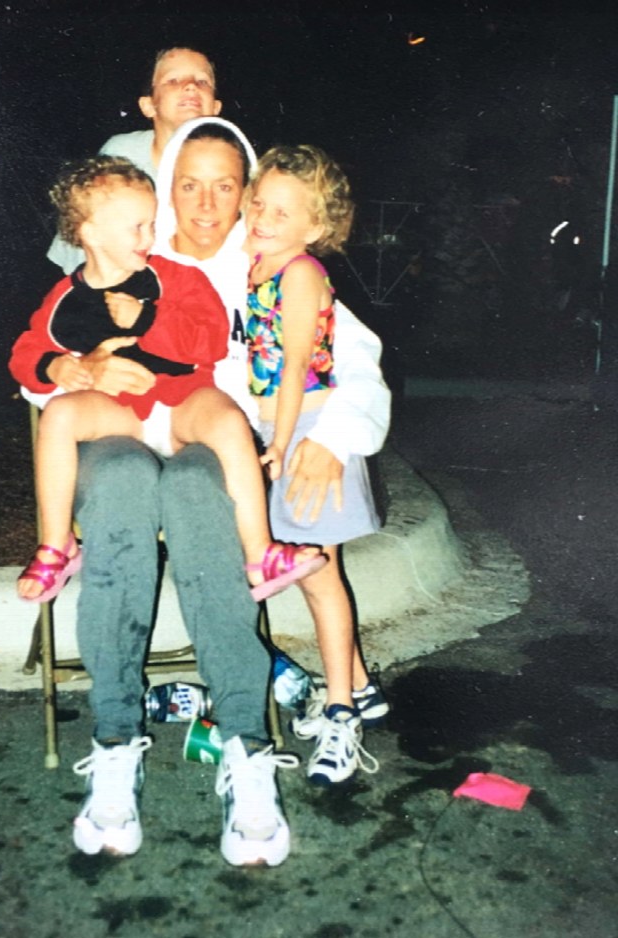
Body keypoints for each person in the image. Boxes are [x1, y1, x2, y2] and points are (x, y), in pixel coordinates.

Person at [21, 116, 390, 868]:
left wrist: (331, 436)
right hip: (117, 432)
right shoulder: (127, 249)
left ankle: (246, 748)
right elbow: (38, 353)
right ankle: (116, 739)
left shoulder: (268, 261)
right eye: (188, 183)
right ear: (164, 187)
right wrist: (73, 370)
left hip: (209, 438)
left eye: (228, 185)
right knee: (121, 485)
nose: (207, 201)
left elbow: (351, 360)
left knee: (198, 497)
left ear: (248, 193)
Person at [10, 155, 325, 604]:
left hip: (182, 402)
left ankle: (260, 554)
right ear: (90, 232)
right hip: (123, 415)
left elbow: (211, 340)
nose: (150, 237)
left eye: (152, 225)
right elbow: (26, 351)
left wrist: (148, 319)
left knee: (229, 422)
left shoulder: (173, 277)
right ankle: (57, 544)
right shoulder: (65, 298)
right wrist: (54, 367)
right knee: (59, 415)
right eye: (136, 227)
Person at [244, 144, 388, 786]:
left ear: (315, 228)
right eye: (258, 204)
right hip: (281, 424)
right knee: (306, 571)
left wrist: (279, 440)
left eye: (282, 211)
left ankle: (340, 711)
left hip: (303, 430)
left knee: (319, 573)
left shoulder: (299, 273)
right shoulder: (253, 266)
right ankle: (358, 686)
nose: (263, 217)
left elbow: (297, 367)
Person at [47, 47, 222, 275]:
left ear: (216, 108)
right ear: (148, 106)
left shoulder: (232, 167)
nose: (190, 85)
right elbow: (78, 252)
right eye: (173, 80)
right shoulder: (122, 155)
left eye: (202, 81)